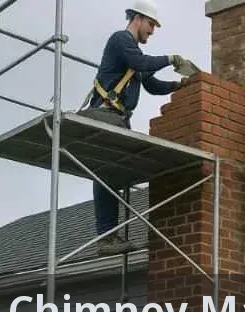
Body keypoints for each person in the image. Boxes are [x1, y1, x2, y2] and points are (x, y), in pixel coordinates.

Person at [80, 0, 190, 255]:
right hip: (105, 115)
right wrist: (171, 58)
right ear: (137, 19)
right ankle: (106, 237)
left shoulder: (134, 56)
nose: (152, 31)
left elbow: (151, 85)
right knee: (106, 173)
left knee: (112, 175)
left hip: (119, 118)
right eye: (151, 25)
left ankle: (109, 236)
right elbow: (141, 63)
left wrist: (178, 85)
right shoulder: (121, 40)